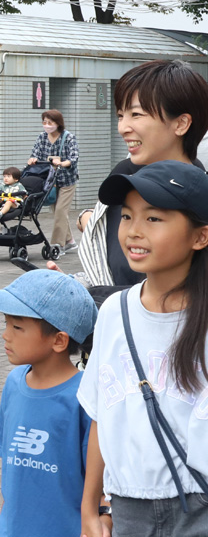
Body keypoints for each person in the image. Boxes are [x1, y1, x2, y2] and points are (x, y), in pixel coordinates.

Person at [78, 161, 208, 535]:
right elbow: (103, 415)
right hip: (128, 508)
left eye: (154, 219)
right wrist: (91, 505)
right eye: (127, 216)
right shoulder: (114, 313)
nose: (134, 232)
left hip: (199, 505)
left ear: (200, 236)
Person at [0, 270, 97, 537]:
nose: (6, 335)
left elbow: (101, 481)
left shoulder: (84, 397)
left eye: (17, 327)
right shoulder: (14, 383)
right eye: (6, 323)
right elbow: (10, 469)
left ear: (59, 340)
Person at [72, 61, 208, 295]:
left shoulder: (199, 196)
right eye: (121, 115)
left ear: (181, 123)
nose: (123, 127)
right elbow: (108, 266)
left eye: (136, 114)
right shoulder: (123, 176)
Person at [26, 109, 79, 250]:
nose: (47, 125)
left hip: (67, 180)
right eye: (44, 122)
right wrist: (32, 159)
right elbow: (35, 153)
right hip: (50, 181)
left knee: (60, 211)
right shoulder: (42, 137)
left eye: (50, 122)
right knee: (57, 213)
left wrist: (63, 163)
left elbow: (74, 158)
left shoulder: (68, 137)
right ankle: (70, 241)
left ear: (58, 123)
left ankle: (57, 245)